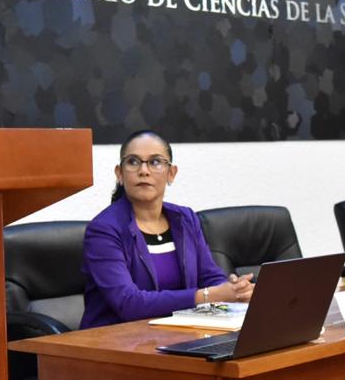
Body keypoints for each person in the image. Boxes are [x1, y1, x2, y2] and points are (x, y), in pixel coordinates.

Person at [80, 130, 253, 328]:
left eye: (155, 162)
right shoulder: (104, 230)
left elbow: (210, 277)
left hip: (174, 335)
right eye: (133, 162)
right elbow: (129, 303)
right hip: (113, 342)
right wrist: (205, 296)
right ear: (120, 173)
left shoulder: (185, 219)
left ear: (171, 173)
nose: (143, 171)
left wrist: (234, 289)